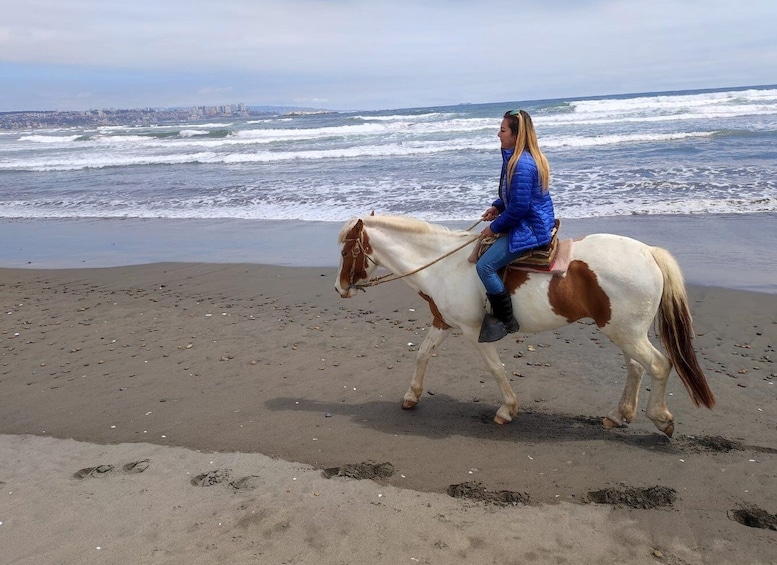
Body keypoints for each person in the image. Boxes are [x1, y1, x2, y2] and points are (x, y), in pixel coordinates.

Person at [476, 109, 555, 343]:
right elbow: (515, 197)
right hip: (527, 218)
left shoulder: (521, 164)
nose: (498, 135)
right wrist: (498, 206)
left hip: (530, 226)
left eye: (502, 130)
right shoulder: (516, 159)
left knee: (484, 267)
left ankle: (507, 320)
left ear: (515, 135)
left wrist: (496, 227)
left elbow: (520, 208)